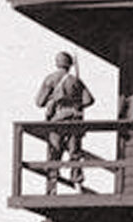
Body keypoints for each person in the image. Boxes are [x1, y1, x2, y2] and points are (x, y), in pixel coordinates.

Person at [34, 51, 93, 192]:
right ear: (70, 65)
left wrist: (53, 100)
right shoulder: (75, 80)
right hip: (74, 120)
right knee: (75, 153)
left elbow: (39, 102)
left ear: (57, 63)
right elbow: (89, 100)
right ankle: (77, 183)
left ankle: (52, 187)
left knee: (55, 152)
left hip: (57, 120)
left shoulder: (50, 79)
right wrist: (76, 103)